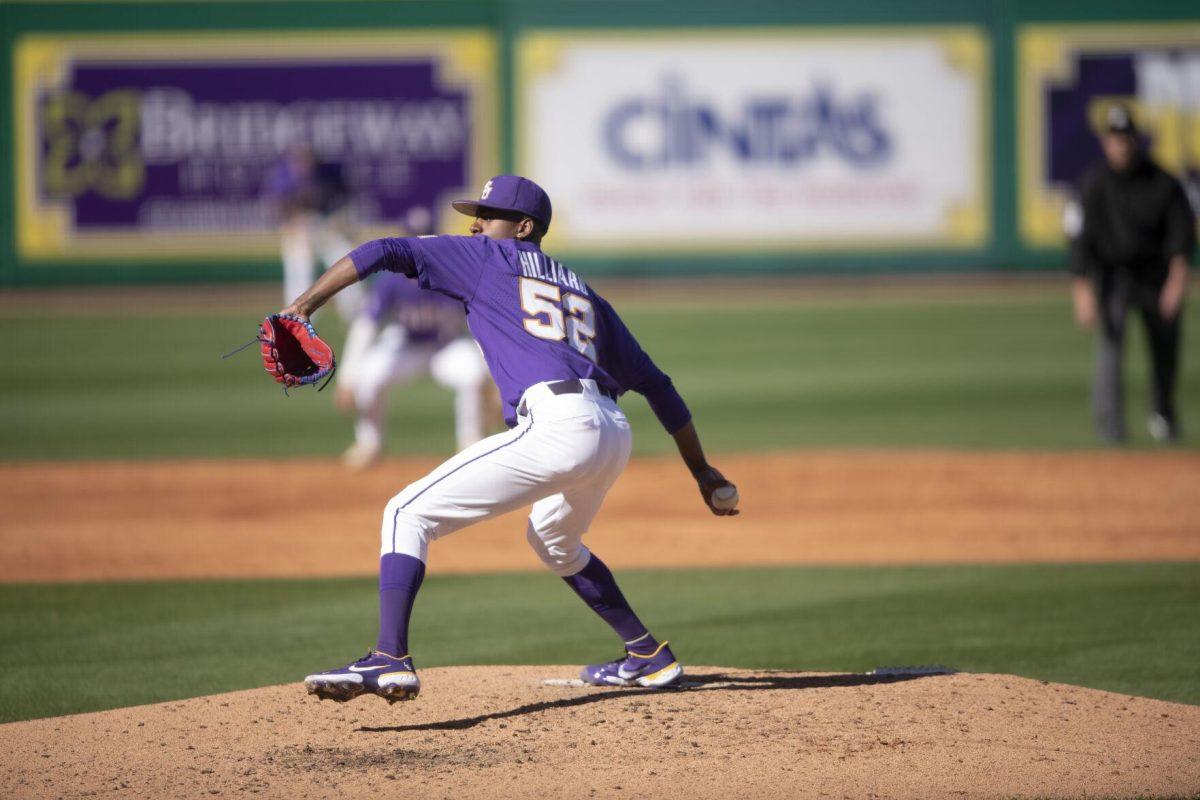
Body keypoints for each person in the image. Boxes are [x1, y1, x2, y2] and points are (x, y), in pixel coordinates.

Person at [283, 175, 737, 702]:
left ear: (523, 227)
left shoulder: (487, 258)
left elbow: (384, 249)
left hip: (558, 423)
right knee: (554, 540)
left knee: (406, 514)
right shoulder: (584, 292)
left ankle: (389, 657)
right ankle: (647, 656)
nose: (476, 223)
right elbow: (658, 386)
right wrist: (702, 470)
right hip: (611, 433)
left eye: (488, 214)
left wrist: (303, 305)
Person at [1068, 104, 1195, 443]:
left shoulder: (1163, 183)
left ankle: (1163, 417)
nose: (1120, 145)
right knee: (1110, 351)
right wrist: (1082, 291)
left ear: (1136, 140)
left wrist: (1176, 282)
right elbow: (1078, 240)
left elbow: (1182, 236)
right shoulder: (1092, 186)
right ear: (1104, 143)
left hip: (1156, 276)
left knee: (1165, 349)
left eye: (1125, 138)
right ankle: (1111, 427)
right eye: (1114, 139)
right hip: (1113, 278)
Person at [336, 270, 493, 468]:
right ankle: (369, 444)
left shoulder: (456, 275)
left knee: (473, 373)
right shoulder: (391, 280)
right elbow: (366, 324)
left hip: (446, 347)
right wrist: (348, 378)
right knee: (370, 374)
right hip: (407, 347)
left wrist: (492, 376)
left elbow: (481, 326)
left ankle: (470, 442)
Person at [266, 144, 362, 321]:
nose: (304, 165)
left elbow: (345, 203)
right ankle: (295, 322)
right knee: (300, 275)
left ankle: (357, 315)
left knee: (345, 259)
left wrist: (340, 223)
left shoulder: (328, 173)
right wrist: (295, 224)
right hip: (299, 233)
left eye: (308, 161)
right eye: (300, 161)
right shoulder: (284, 177)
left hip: (325, 227)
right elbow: (277, 209)